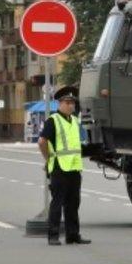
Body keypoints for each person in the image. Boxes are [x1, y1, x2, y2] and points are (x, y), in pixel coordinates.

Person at [38, 88, 90, 246]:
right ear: (59, 103)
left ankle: (72, 235)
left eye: (73, 103)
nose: (71, 106)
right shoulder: (53, 120)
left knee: (73, 203)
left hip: (74, 168)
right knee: (57, 203)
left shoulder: (74, 120)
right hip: (59, 167)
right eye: (67, 103)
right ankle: (53, 236)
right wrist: (48, 160)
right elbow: (42, 142)